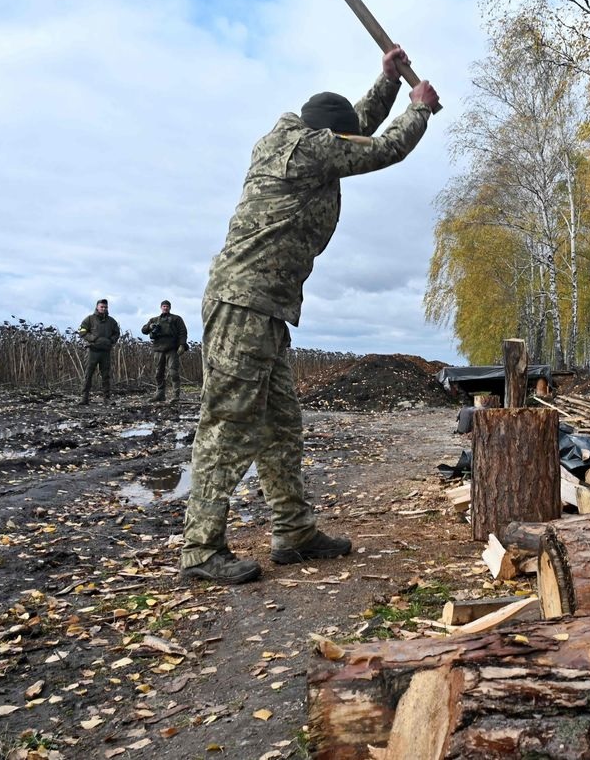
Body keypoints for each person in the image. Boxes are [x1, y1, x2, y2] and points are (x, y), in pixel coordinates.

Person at [179, 45, 440, 584]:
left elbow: (356, 129)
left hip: (266, 308)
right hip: (242, 304)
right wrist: (417, 108)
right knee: (229, 425)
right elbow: (378, 148)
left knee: (281, 426)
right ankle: (201, 549)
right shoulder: (306, 152)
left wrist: (387, 81)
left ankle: (293, 532)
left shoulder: (299, 137)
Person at [141, 300, 189, 403]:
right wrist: (150, 327)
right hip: (158, 348)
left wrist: (182, 344)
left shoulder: (176, 319)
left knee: (173, 372)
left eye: (167, 306)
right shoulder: (154, 320)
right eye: (163, 306)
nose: (165, 308)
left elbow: (183, 332)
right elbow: (144, 330)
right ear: (161, 307)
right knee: (158, 373)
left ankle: (176, 395)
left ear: (170, 308)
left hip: (172, 348)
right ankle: (160, 394)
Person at [77, 299, 121, 405]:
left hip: (105, 352)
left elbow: (117, 333)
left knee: (106, 375)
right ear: (97, 307)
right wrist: (92, 338)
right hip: (92, 351)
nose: (104, 309)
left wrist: (111, 340)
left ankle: (107, 398)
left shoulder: (111, 321)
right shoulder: (89, 319)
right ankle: (84, 398)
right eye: (102, 307)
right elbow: (82, 330)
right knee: (88, 374)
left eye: (105, 307)